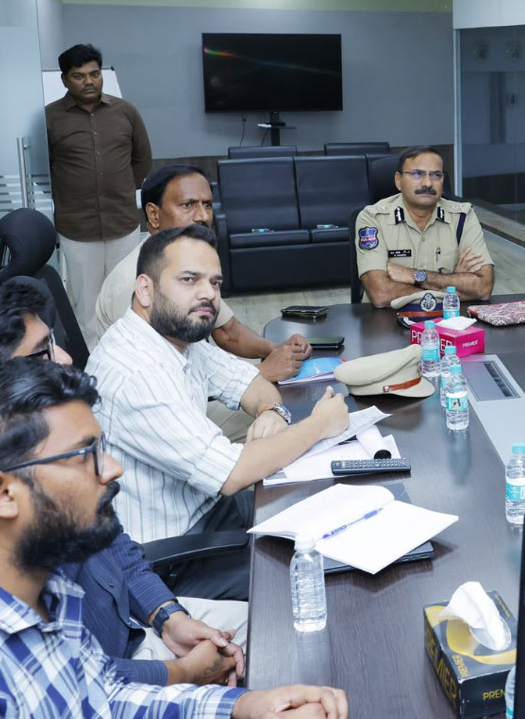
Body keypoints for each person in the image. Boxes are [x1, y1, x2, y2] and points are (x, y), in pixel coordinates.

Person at [0, 358, 348, 718]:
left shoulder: (50, 592)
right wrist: (194, 678)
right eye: (85, 455)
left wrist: (243, 706)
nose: (113, 469)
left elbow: (102, 698)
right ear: (1, 495)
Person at [0, 276, 249, 685]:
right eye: (42, 352)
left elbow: (114, 542)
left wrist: (168, 616)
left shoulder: (53, 453)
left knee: (287, 624)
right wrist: (182, 673)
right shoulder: (16, 500)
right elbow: (63, 677)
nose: (65, 358)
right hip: (121, 675)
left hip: (139, 631)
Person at [87, 224, 349, 600]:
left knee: (333, 509)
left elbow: (251, 384)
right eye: (189, 280)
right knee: (323, 572)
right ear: (145, 289)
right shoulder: (135, 372)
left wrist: (271, 411)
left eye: (215, 282)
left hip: (210, 511)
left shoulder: (178, 336)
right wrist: (320, 424)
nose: (208, 294)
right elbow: (231, 473)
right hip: (171, 562)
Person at [93, 165, 312, 440]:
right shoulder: (134, 281)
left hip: (191, 394)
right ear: (153, 214)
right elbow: (161, 387)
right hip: (157, 417)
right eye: (187, 205)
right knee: (287, 421)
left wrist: (276, 349)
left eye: (207, 205)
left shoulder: (187, 264)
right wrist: (262, 371)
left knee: (280, 409)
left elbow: (228, 331)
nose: (203, 216)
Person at [45, 43, 152, 338]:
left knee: (128, 299)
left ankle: (129, 355)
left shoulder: (126, 112)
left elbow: (142, 159)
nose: (89, 81)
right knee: (87, 307)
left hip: (123, 223)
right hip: (77, 228)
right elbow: (44, 170)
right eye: (79, 76)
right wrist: (71, 191)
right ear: (65, 80)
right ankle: (93, 362)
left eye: (94, 74)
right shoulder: (50, 118)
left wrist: (120, 188)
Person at [355, 146, 494, 307]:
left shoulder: (463, 216)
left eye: (436, 175)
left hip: (449, 316)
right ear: (398, 180)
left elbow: (483, 287)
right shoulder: (373, 218)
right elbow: (381, 294)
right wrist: (453, 283)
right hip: (387, 318)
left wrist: (414, 276)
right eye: (417, 174)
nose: (428, 183)